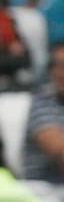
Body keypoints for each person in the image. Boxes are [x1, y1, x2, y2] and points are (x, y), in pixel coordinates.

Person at [21, 41, 64, 184]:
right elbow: (58, 150)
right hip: (46, 191)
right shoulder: (43, 101)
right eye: (57, 65)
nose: (61, 72)